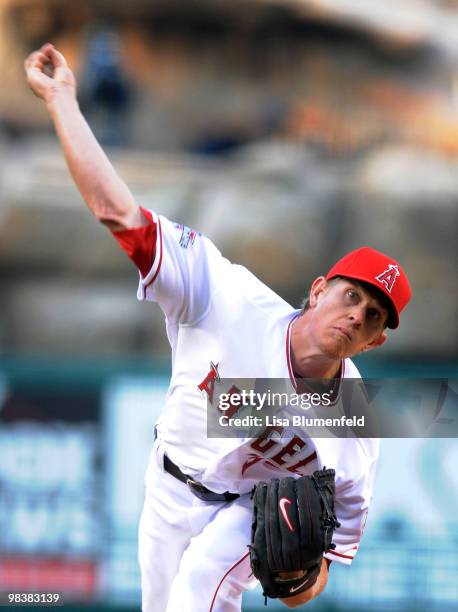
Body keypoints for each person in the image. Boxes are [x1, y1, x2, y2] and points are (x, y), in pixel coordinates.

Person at [25, 44, 411, 611]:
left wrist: (299, 578)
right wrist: (63, 102)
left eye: (373, 315)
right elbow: (120, 217)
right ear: (317, 289)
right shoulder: (225, 295)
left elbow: (320, 576)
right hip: (168, 485)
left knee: (201, 585)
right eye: (351, 295)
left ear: (375, 339)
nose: (356, 314)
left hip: (244, 511)